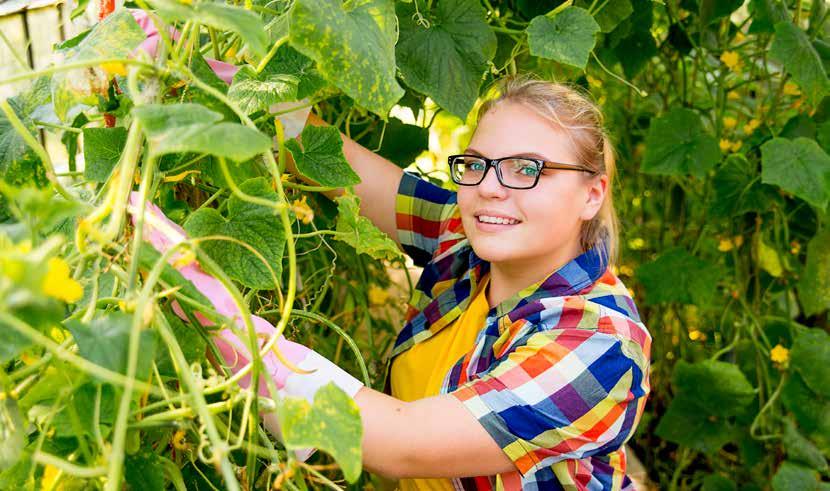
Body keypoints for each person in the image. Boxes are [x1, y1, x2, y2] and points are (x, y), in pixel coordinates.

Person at [135, 72, 651, 489]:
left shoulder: (599, 346)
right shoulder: (469, 238)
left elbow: (401, 443)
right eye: (477, 164)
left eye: (525, 169)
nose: (491, 189)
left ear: (592, 194)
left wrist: (214, 310)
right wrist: (227, 84)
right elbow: (338, 167)